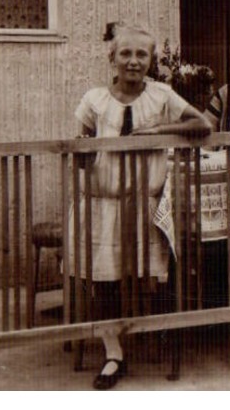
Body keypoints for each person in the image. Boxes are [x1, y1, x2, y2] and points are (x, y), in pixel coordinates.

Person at [70, 25, 210, 390]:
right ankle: (113, 353)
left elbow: (202, 123)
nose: (133, 61)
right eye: (125, 54)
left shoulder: (162, 95)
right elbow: (80, 150)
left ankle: (155, 337)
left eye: (141, 55)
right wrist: (83, 153)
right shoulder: (95, 100)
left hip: (147, 205)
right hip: (104, 204)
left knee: (154, 275)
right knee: (104, 282)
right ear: (112, 59)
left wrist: (157, 131)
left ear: (151, 61)